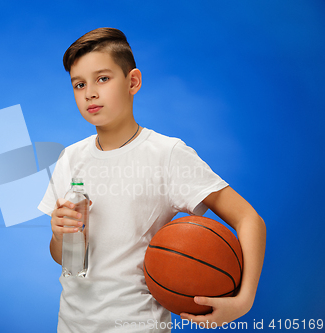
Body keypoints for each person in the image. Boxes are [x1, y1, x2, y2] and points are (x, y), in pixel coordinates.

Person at [37, 27, 266, 332]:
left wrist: (244, 300)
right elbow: (61, 257)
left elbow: (249, 219)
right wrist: (59, 236)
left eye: (103, 79)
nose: (90, 92)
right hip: (70, 324)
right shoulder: (70, 158)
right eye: (79, 84)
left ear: (133, 81)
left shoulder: (166, 154)